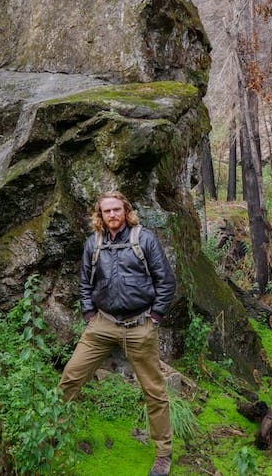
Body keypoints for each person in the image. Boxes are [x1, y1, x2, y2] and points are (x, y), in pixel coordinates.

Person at [58, 191, 177, 476]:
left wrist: (155, 316)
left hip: (139, 325)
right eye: (106, 211)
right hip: (103, 324)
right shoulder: (93, 244)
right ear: (100, 215)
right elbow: (85, 281)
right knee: (71, 377)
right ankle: (51, 433)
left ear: (126, 211)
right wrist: (89, 314)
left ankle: (163, 454)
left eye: (116, 210)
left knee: (154, 391)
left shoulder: (143, 239)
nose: (112, 215)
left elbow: (166, 280)